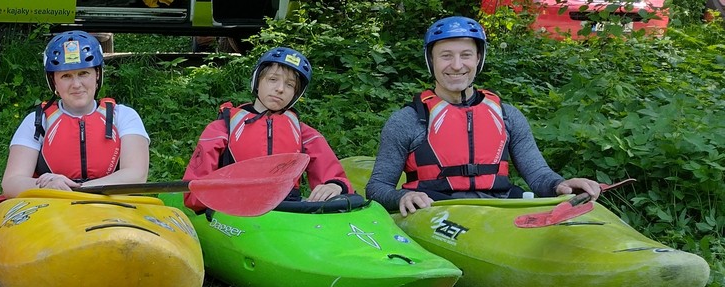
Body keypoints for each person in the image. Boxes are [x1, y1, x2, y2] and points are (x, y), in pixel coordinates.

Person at [366, 16, 601, 216]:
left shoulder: (508, 116)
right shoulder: (407, 120)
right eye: (446, 56)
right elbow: (377, 187)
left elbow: (539, 175)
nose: (457, 65)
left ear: (478, 58)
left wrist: (560, 185)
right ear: (431, 61)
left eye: (466, 55)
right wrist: (402, 197)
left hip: (496, 207)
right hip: (435, 209)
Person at [180, 47, 353, 212]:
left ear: (296, 94)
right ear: (257, 81)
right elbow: (195, 189)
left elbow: (333, 174)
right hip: (235, 208)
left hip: (287, 207)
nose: (280, 89)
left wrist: (334, 185)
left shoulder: (305, 134)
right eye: (272, 79)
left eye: (290, 85)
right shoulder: (222, 128)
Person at [0, 30, 150, 197]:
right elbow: (11, 182)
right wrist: (47, 185)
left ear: (97, 75)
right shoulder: (37, 122)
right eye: (66, 76)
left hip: (111, 204)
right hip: (52, 205)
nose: (76, 84)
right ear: (53, 82)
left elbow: (136, 174)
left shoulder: (123, 116)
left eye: (83, 73)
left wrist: (79, 190)